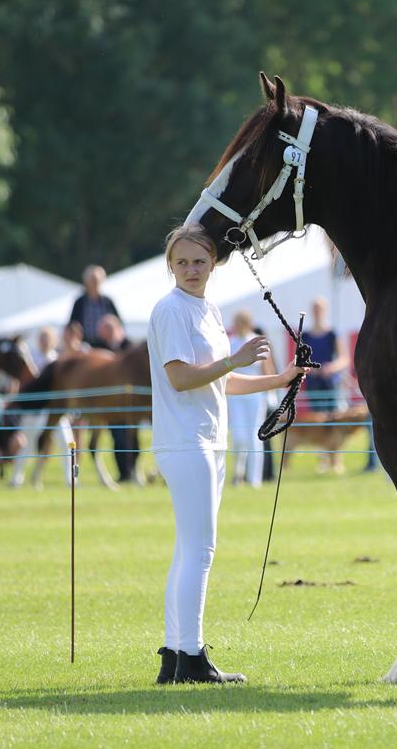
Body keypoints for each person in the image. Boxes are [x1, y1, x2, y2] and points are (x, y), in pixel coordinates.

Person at [148, 225, 306, 685]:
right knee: (199, 550)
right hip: (186, 441)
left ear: (213, 263)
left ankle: (175, 656)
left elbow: (220, 382)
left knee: (188, 550)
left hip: (207, 439)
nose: (192, 270)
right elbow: (180, 378)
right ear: (171, 266)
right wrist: (235, 360)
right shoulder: (171, 310)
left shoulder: (208, 309)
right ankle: (192, 659)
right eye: (182, 263)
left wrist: (278, 381)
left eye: (199, 261)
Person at [226, 310, 274, 488]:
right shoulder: (231, 343)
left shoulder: (259, 341)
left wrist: (271, 393)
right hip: (236, 394)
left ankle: (255, 480)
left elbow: (268, 369)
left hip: (255, 395)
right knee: (238, 435)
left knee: (255, 436)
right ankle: (238, 474)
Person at [301, 297, 349, 473]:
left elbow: (344, 358)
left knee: (334, 420)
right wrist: (310, 369)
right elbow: (300, 359)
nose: (317, 312)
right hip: (313, 382)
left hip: (330, 383)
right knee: (318, 421)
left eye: (320, 309)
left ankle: (336, 461)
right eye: (315, 308)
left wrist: (331, 368)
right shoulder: (305, 335)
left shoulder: (332, 334)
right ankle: (323, 460)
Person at [97, 313, 137, 481]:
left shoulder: (130, 347)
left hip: (132, 404)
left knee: (134, 439)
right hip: (111, 404)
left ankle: (133, 471)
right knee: (118, 437)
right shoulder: (99, 349)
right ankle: (124, 473)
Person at [69, 264, 119, 350]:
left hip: (106, 346)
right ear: (86, 282)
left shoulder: (108, 302)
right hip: (84, 345)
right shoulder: (79, 303)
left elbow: (118, 323)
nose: (95, 284)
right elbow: (72, 324)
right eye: (92, 280)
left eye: (97, 281)